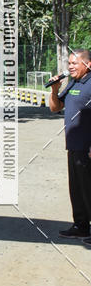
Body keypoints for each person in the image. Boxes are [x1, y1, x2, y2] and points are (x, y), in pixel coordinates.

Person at [49, 49, 91, 244]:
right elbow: (55, 107)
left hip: (88, 147)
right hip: (73, 145)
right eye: (70, 63)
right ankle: (81, 227)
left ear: (88, 64)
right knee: (77, 188)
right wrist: (55, 89)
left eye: (75, 63)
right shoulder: (74, 82)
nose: (70, 66)